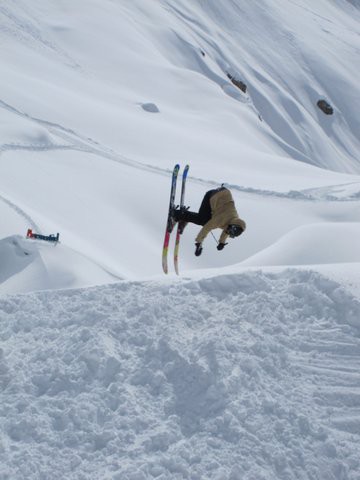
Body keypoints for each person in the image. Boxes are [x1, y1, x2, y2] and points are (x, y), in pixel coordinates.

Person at [173, 186, 246, 256]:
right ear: (233, 226)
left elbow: (226, 230)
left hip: (220, 199)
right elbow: (206, 228)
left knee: (205, 219)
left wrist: (222, 243)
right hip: (212, 196)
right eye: (230, 231)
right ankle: (178, 214)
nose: (229, 232)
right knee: (202, 220)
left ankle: (185, 217)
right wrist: (199, 243)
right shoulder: (222, 219)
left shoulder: (233, 221)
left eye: (231, 233)